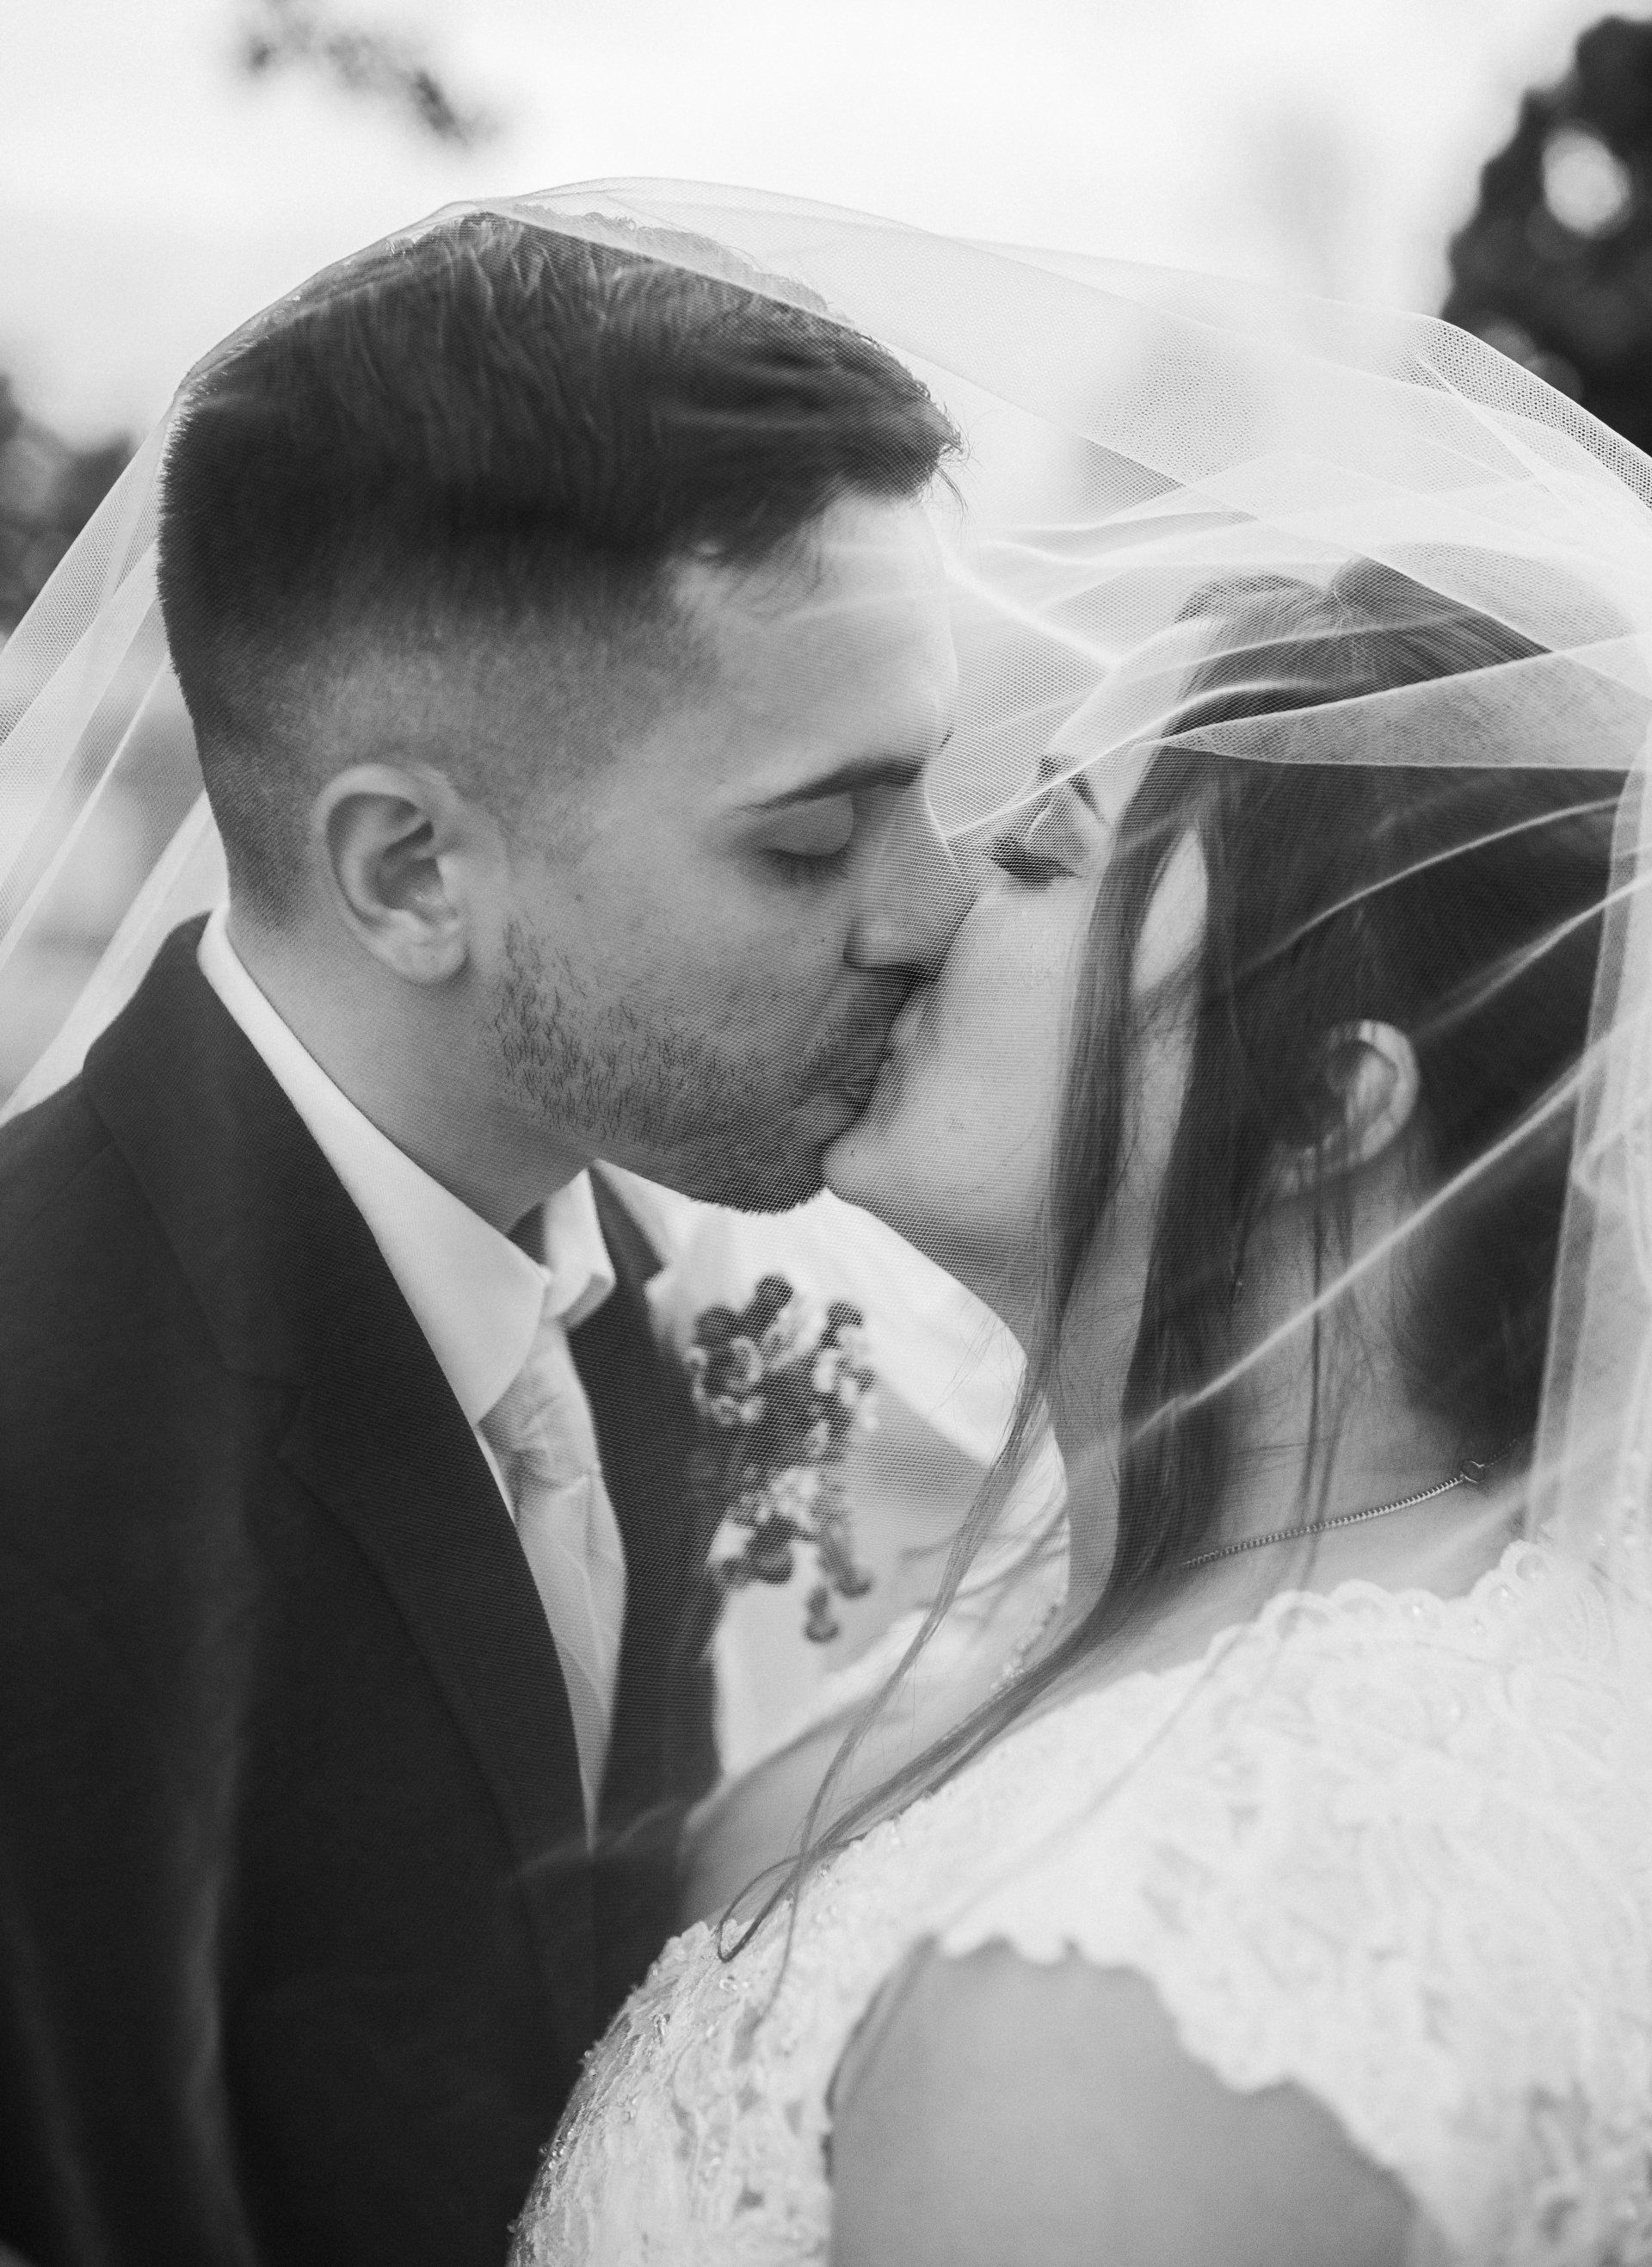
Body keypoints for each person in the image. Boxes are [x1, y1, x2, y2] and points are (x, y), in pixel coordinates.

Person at [506, 198, 1652, 2263]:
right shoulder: (1431, 1672)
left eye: (1043, 852)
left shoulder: (1131, 1993)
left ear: (1324, 1104)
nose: (930, 911)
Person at [0, 212, 969, 2267]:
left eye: (932, 795)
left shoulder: (661, 1287)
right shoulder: (33, 1443)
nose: (932, 909)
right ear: (410, 869)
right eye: (810, 835)